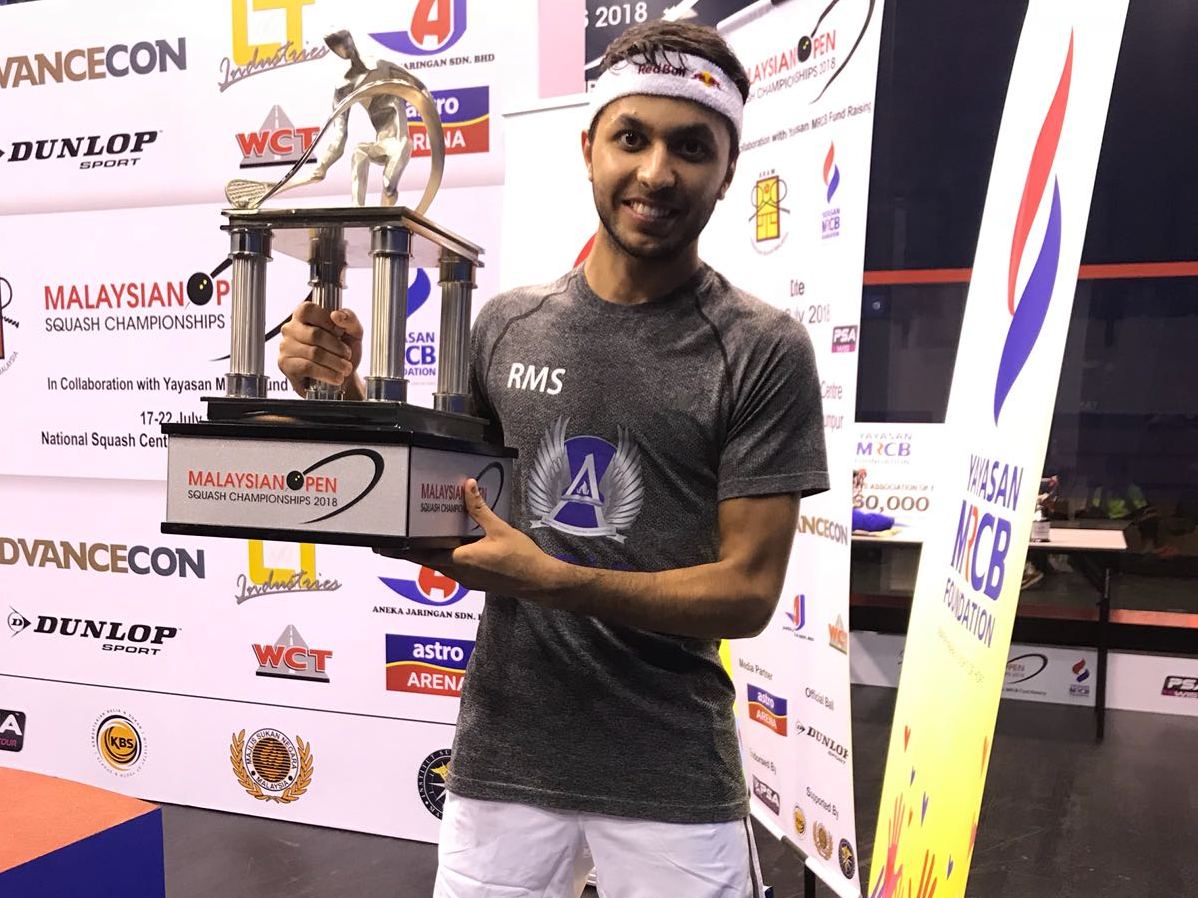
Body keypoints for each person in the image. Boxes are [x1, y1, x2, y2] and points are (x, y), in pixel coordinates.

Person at [278, 20, 828, 898]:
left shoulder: (762, 349)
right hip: (506, 756)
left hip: (670, 769)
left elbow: (749, 593)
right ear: (590, 148)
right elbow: (441, 503)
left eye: (691, 146)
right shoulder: (505, 323)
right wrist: (337, 396)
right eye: (632, 137)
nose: (656, 172)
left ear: (727, 170)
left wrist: (553, 578)